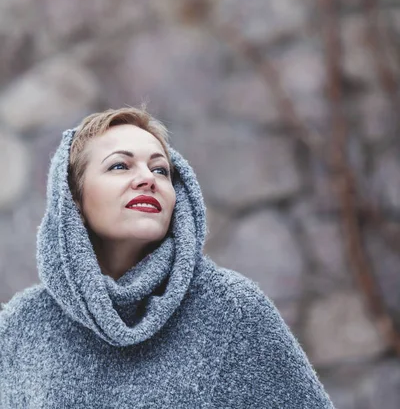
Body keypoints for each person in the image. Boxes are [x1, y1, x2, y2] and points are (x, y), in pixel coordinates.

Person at [0, 107, 335, 408]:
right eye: (120, 165)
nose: (148, 179)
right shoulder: (23, 325)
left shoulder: (233, 310)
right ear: (73, 201)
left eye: (161, 170)